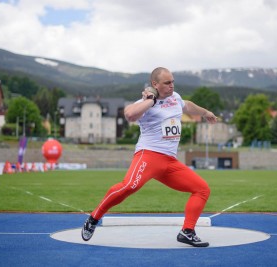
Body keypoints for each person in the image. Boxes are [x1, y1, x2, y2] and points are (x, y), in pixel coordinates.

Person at [81, 67, 218, 247]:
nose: (171, 86)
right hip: (149, 155)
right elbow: (129, 114)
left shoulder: (175, 97)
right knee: (130, 186)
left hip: (169, 162)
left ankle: (187, 231)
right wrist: (150, 101)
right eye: (167, 83)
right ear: (155, 84)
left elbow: (188, 105)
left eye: (173, 82)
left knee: (202, 189)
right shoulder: (145, 102)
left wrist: (206, 112)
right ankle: (94, 218)